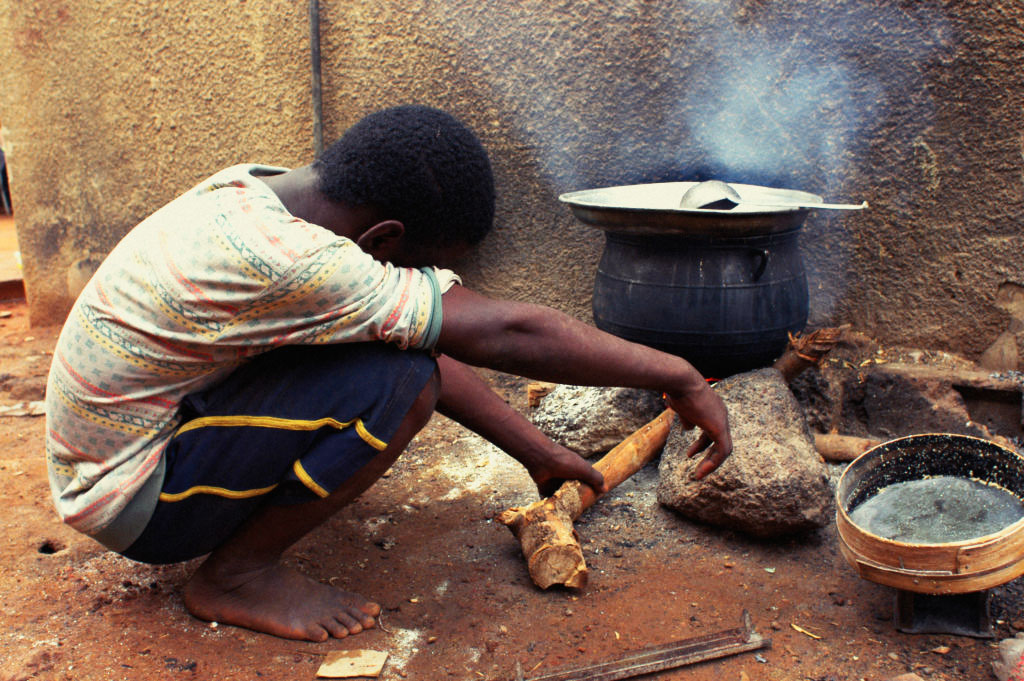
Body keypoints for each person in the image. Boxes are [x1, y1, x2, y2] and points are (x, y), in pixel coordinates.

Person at [45, 105, 732, 642]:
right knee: (399, 386)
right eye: (415, 267)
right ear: (384, 240)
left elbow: (420, 339)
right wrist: (681, 375)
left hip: (133, 441)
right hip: (134, 498)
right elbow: (505, 332)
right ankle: (237, 573)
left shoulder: (258, 190)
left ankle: (239, 539)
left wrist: (542, 454)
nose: (414, 284)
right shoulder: (304, 264)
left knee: (396, 353)